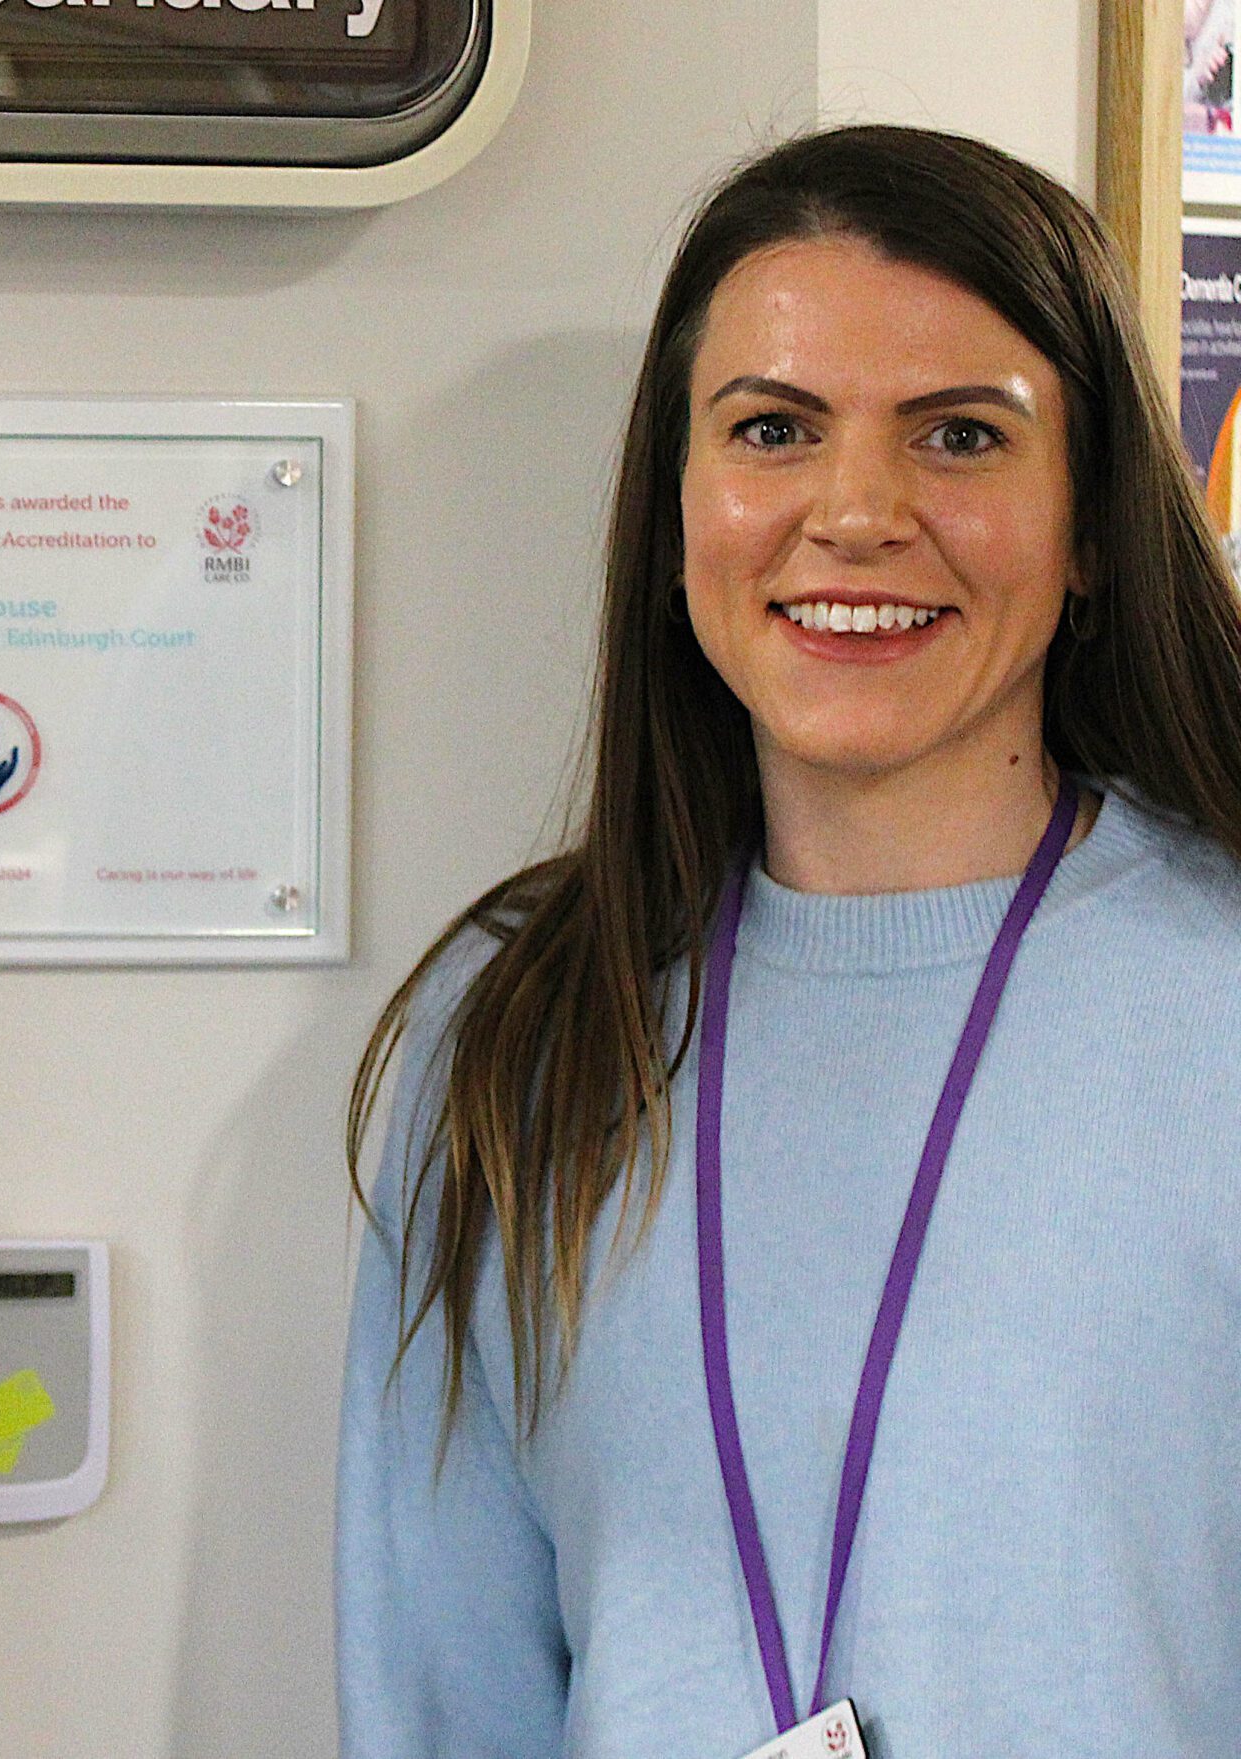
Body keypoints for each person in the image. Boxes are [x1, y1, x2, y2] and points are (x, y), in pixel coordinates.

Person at [337, 124, 1241, 1758]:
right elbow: (438, 1696)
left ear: (1092, 523)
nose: (858, 512)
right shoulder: (525, 1028)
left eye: (960, 435)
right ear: (678, 511)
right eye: (774, 430)